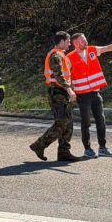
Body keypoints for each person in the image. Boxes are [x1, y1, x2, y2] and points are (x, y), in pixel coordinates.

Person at [68, 33, 112, 158]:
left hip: (95, 93)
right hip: (82, 95)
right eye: (82, 40)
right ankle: (88, 149)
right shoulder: (69, 57)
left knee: (101, 120)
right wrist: (70, 91)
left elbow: (108, 47)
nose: (85, 42)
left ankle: (103, 148)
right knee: (86, 123)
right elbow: (65, 76)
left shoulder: (92, 50)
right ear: (75, 43)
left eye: (85, 39)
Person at [30, 31, 81, 162]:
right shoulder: (55, 55)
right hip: (57, 92)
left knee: (68, 123)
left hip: (62, 91)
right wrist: (69, 90)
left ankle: (64, 152)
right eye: (68, 41)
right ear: (62, 41)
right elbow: (59, 76)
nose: (70, 44)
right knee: (62, 122)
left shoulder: (61, 55)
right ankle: (39, 145)